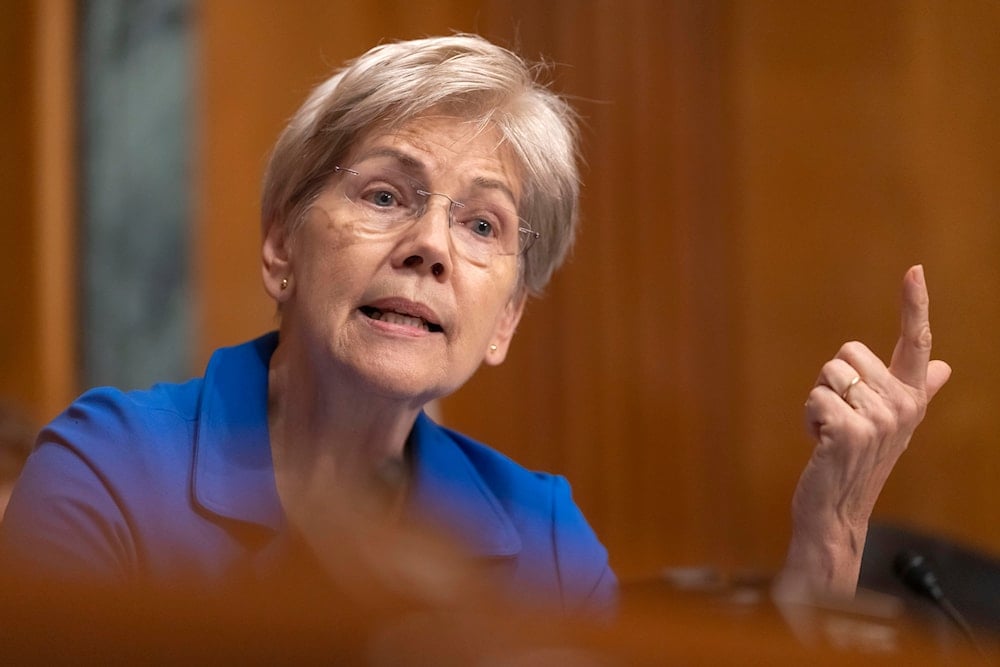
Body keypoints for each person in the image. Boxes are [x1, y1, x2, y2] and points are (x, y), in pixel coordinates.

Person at [0, 35, 949, 619]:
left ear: (504, 322)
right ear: (282, 244)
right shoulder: (109, 472)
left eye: (482, 223)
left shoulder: (540, 536)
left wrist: (827, 544)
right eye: (384, 194)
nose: (430, 248)